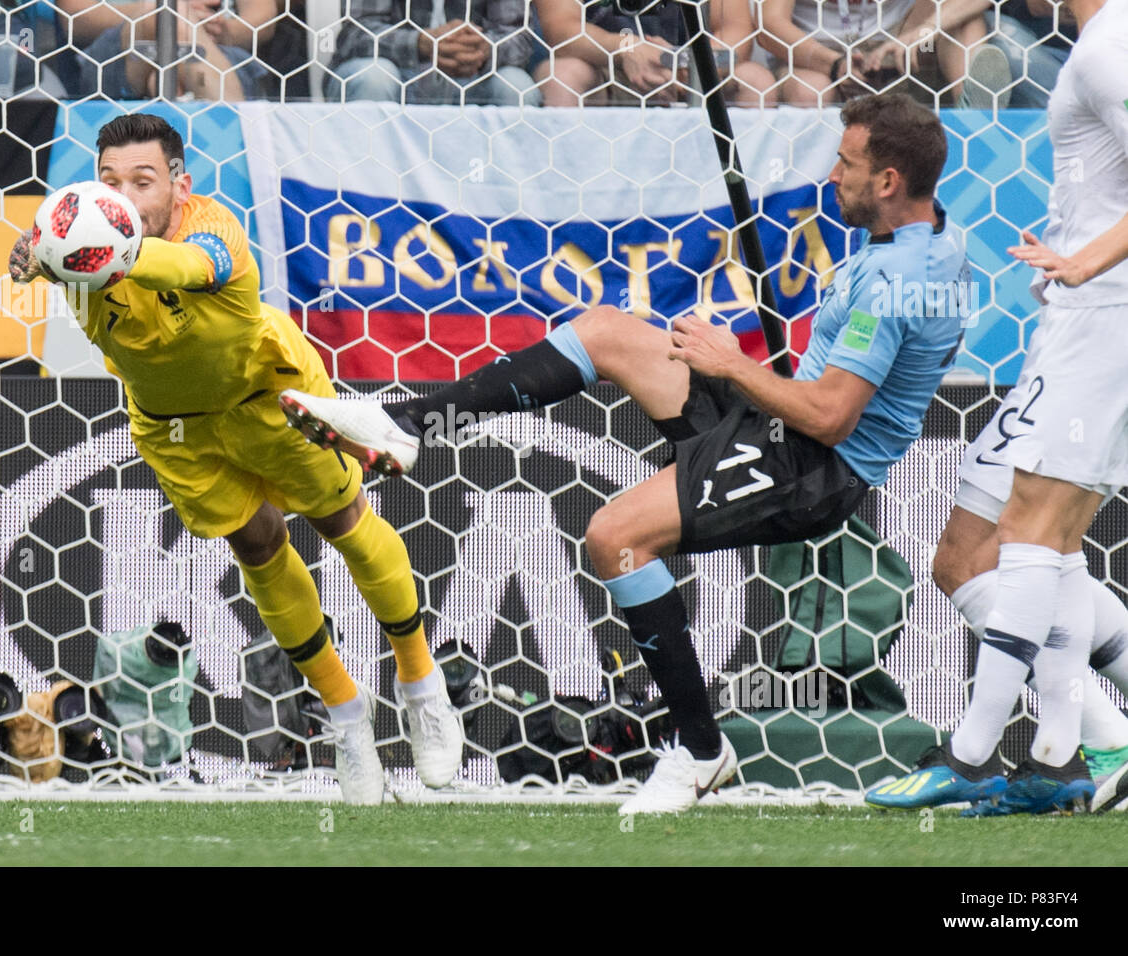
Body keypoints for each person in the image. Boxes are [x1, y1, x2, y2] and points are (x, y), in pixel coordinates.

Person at [278, 92, 971, 814]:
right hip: (783, 427)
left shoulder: (899, 281)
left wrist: (733, 366)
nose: (833, 174)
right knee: (606, 331)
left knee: (614, 538)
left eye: (848, 163)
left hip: (812, 469)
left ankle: (702, 750)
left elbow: (830, 418)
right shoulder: (933, 244)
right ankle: (405, 423)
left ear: (888, 182)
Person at [7, 114, 463, 805]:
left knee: (341, 521)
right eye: (108, 183)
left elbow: (197, 269)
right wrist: (41, 249)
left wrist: (99, 248)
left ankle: (419, 680)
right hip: (175, 426)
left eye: (143, 180)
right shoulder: (78, 250)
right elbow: (52, 252)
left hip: (270, 396)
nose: (123, 196)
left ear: (180, 185)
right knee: (257, 544)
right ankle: (345, 715)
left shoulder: (211, 229)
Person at [866, 0, 1128, 815]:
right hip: (1075, 322)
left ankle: (974, 757)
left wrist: (1085, 263)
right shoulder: (1100, 38)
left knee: (1029, 536)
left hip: (1105, 316)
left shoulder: (1109, 40)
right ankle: (1080, 753)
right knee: (988, 547)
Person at [759, 0, 1010, 108]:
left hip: (910, 49)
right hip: (818, 56)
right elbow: (768, 26)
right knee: (811, 90)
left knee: (963, 21)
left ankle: (976, 119)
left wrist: (928, 28)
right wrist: (834, 65)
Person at [531, 0, 776, 108]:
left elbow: (737, 32)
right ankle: (572, 202)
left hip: (691, 70)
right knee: (560, 76)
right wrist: (627, 47)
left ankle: (746, 202)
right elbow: (561, 28)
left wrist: (683, 64)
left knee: (757, 81)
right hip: (606, 64)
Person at [326, 0, 542, 106]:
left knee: (516, 86)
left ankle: (504, 192)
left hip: (472, 78)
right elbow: (355, 35)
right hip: (398, 76)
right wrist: (421, 43)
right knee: (374, 77)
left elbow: (519, 37)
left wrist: (481, 48)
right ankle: (364, 191)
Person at [58, 0, 278, 101]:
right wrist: (164, 10)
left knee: (170, 22)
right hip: (120, 51)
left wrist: (224, 29)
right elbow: (76, 16)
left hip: (218, 48)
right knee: (165, 14)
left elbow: (262, 19)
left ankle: (164, 88)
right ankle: (236, 148)